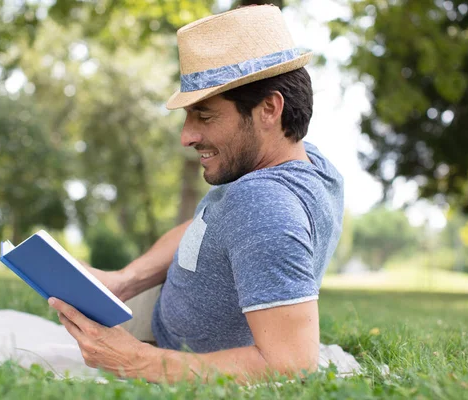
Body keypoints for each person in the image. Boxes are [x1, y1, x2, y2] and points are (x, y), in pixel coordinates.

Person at [49, 4, 343, 384]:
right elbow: (206, 226)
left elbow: (291, 364)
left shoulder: (265, 205)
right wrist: (125, 280)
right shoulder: (310, 161)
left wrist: (134, 360)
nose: (186, 136)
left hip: (169, 352)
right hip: (159, 305)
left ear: (269, 108)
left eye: (205, 116)